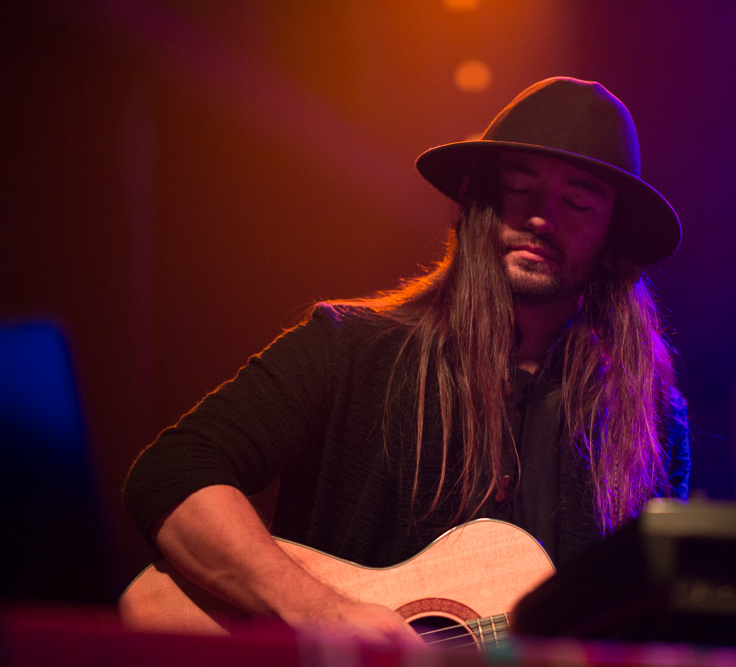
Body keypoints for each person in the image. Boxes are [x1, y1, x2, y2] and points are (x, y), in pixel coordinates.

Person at [123, 77, 690, 645]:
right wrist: (318, 608)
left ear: (614, 239)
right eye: (519, 185)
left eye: (579, 202)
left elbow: (652, 626)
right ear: (473, 205)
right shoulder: (348, 348)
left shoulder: (650, 422)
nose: (542, 217)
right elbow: (173, 472)